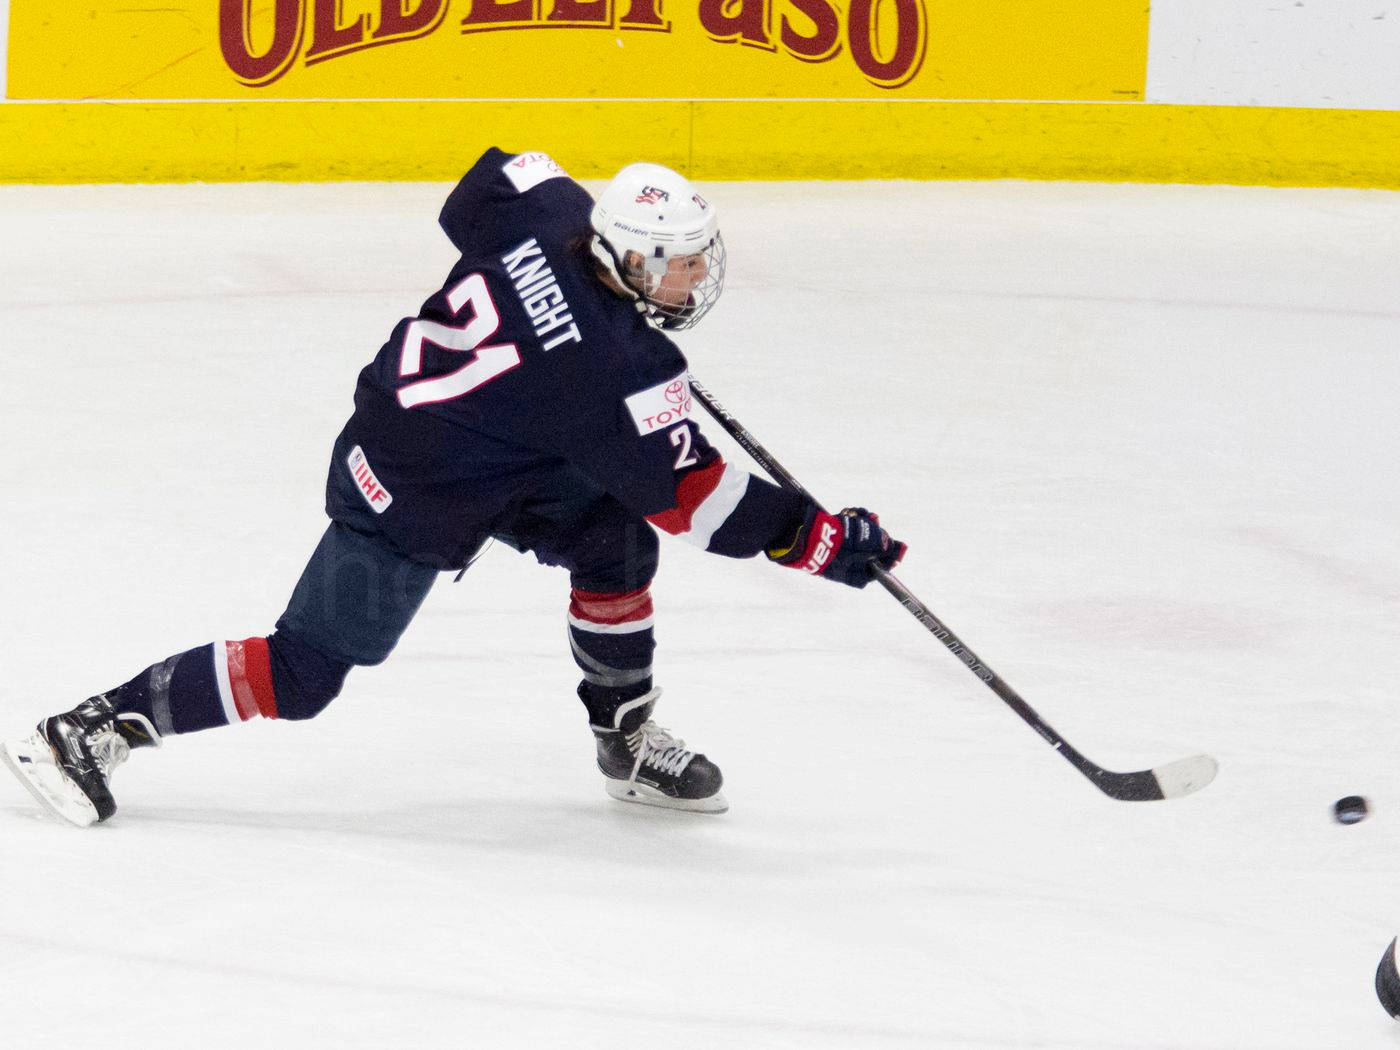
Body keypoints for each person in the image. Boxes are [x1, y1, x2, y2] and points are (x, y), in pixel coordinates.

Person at [1, 148, 906, 828]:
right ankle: (91, 728)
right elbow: (705, 505)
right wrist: (828, 542)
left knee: (614, 538)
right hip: (410, 485)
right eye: (676, 265)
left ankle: (622, 738)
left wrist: (578, 303)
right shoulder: (614, 374)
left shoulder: (552, 215)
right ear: (627, 260)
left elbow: (485, 184)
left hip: (499, 441)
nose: (696, 279)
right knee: (306, 671)